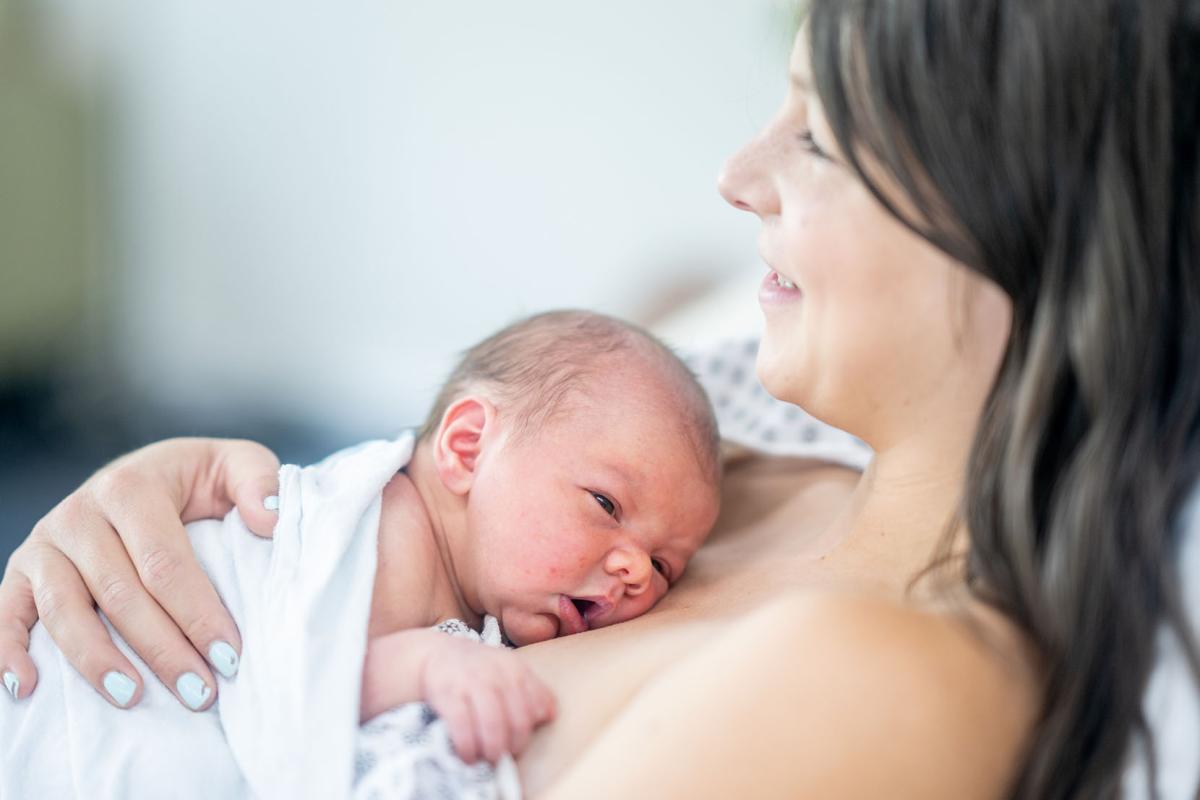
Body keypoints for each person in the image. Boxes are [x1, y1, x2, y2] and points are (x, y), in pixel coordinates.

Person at [3, 0, 1199, 797]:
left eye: (821, 140)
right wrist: (169, 508)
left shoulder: (893, 674)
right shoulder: (719, 448)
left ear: (1025, 229)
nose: (738, 178)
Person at [0, 310, 722, 797]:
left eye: (665, 565)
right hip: (83, 693)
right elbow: (300, 677)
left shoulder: (471, 583)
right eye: (605, 505)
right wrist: (429, 662)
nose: (634, 569)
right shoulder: (389, 527)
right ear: (467, 448)